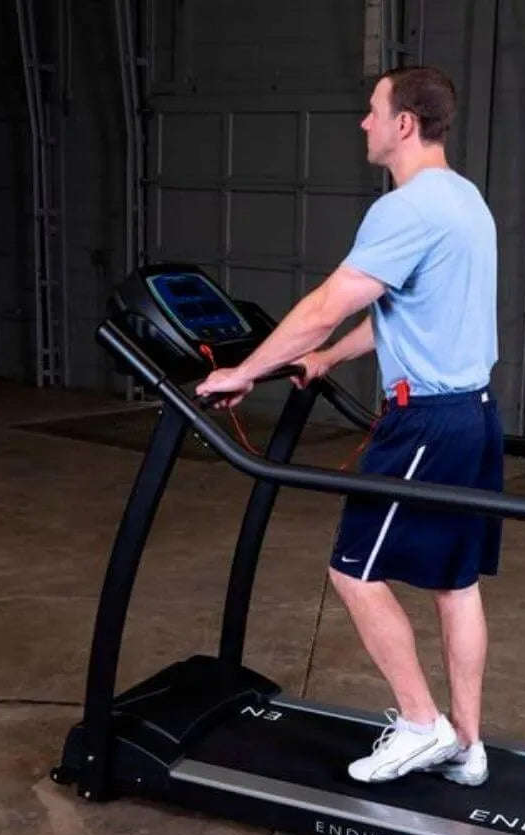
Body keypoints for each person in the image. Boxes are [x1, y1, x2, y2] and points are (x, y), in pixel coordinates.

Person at [196, 66, 501, 787]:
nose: (363, 124)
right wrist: (327, 358)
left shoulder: (407, 208)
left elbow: (325, 304)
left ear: (403, 124)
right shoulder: (465, 199)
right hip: (473, 414)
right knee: (455, 584)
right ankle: (467, 744)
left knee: (354, 571)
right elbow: (398, 311)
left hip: (425, 423)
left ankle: (421, 724)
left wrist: (243, 372)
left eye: (371, 112)